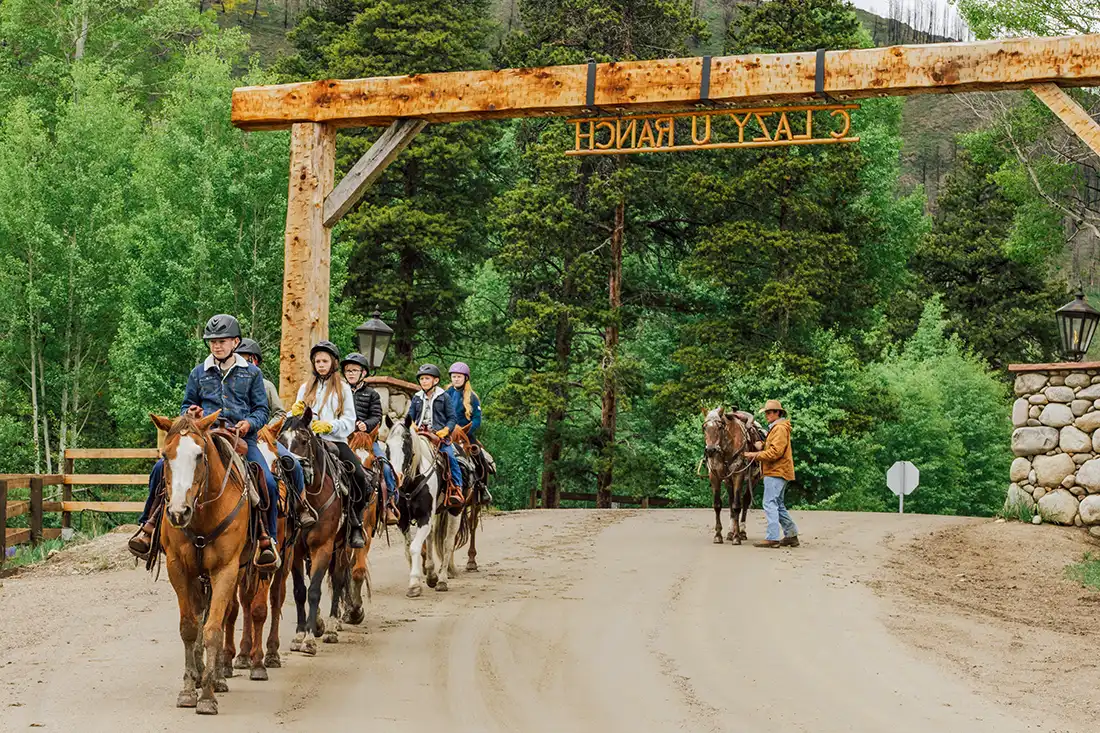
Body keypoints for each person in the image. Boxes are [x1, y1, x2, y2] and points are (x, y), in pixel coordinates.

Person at [128, 315, 280, 568]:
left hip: (240, 438)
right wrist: (191, 413)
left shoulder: (252, 373)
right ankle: (148, 526)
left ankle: (267, 539)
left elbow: (262, 410)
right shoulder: (198, 372)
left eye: (221, 341)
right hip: (205, 436)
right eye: (212, 342)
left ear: (235, 342)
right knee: (159, 469)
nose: (216, 346)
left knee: (268, 481)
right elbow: (187, 403)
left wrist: (249, 423)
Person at [290, 340, 371, 549]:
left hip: (335, 441)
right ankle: (289, 517)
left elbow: (350, 420)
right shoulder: (304, 388)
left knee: (359, 476)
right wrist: (295, 412)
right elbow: (295, 418)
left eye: (325, 360)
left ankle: (355, 523)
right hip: (307, 441)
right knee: (285, 467)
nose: (321, 364)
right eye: (317, 361)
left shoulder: (343, 389)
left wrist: (329, 426)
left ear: (333, 362)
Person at [235, 337, 314, 529]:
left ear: (255, 360)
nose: (242, 362)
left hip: (263, 437)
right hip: (236, 435)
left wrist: (266, 428)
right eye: (239, 358)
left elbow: (279, 412)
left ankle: (302, 506)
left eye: (246, 358)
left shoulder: (266, 385)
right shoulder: (230, 383)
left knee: (292, 463)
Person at [341, 352, 399, 525]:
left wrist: (366, 424)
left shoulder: (372, 394)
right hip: (344, 437)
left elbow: (377, 416)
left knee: (385, 466)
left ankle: (389, 505)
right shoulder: (340, 391)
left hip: (366, 440)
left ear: (363, 373)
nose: (350, 373)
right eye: (347, 370)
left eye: (354, 370)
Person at [744, 399, 799, 548]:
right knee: (778, 504)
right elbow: (775, 448)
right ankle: (791, 535)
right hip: (779, 471)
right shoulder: (778, 428)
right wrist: (763, 445)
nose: (767, 415)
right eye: (766, 412)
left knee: (769, 503)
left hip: (776, 471)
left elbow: (775, 453)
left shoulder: (779, 428)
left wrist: (754, 455)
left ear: (777, 413)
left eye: (769, 412)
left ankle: (772, 538)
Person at [407, 363, 464, 508]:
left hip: (438, 435)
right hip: (419, 433)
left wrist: (446, 429)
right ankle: (398, 489)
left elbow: (452, 418)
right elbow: (410, 416)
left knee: (450, 457)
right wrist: (411, 424)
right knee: (403, 454)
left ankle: (456, 488)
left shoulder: (444, 397)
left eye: (427, 378)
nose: (424, 381)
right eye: (421, 379)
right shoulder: (416, 398)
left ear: (436, 381)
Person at [445, 362, 491, 504]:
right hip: (447, 432)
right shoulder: (445, 394)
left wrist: (465, 431)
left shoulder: (472, 397)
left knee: (479, 454)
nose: (456, 379)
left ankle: (482, 487)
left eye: (459, 377)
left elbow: (477, 419)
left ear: (465, 378)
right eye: (454, 376)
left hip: (466, 434)